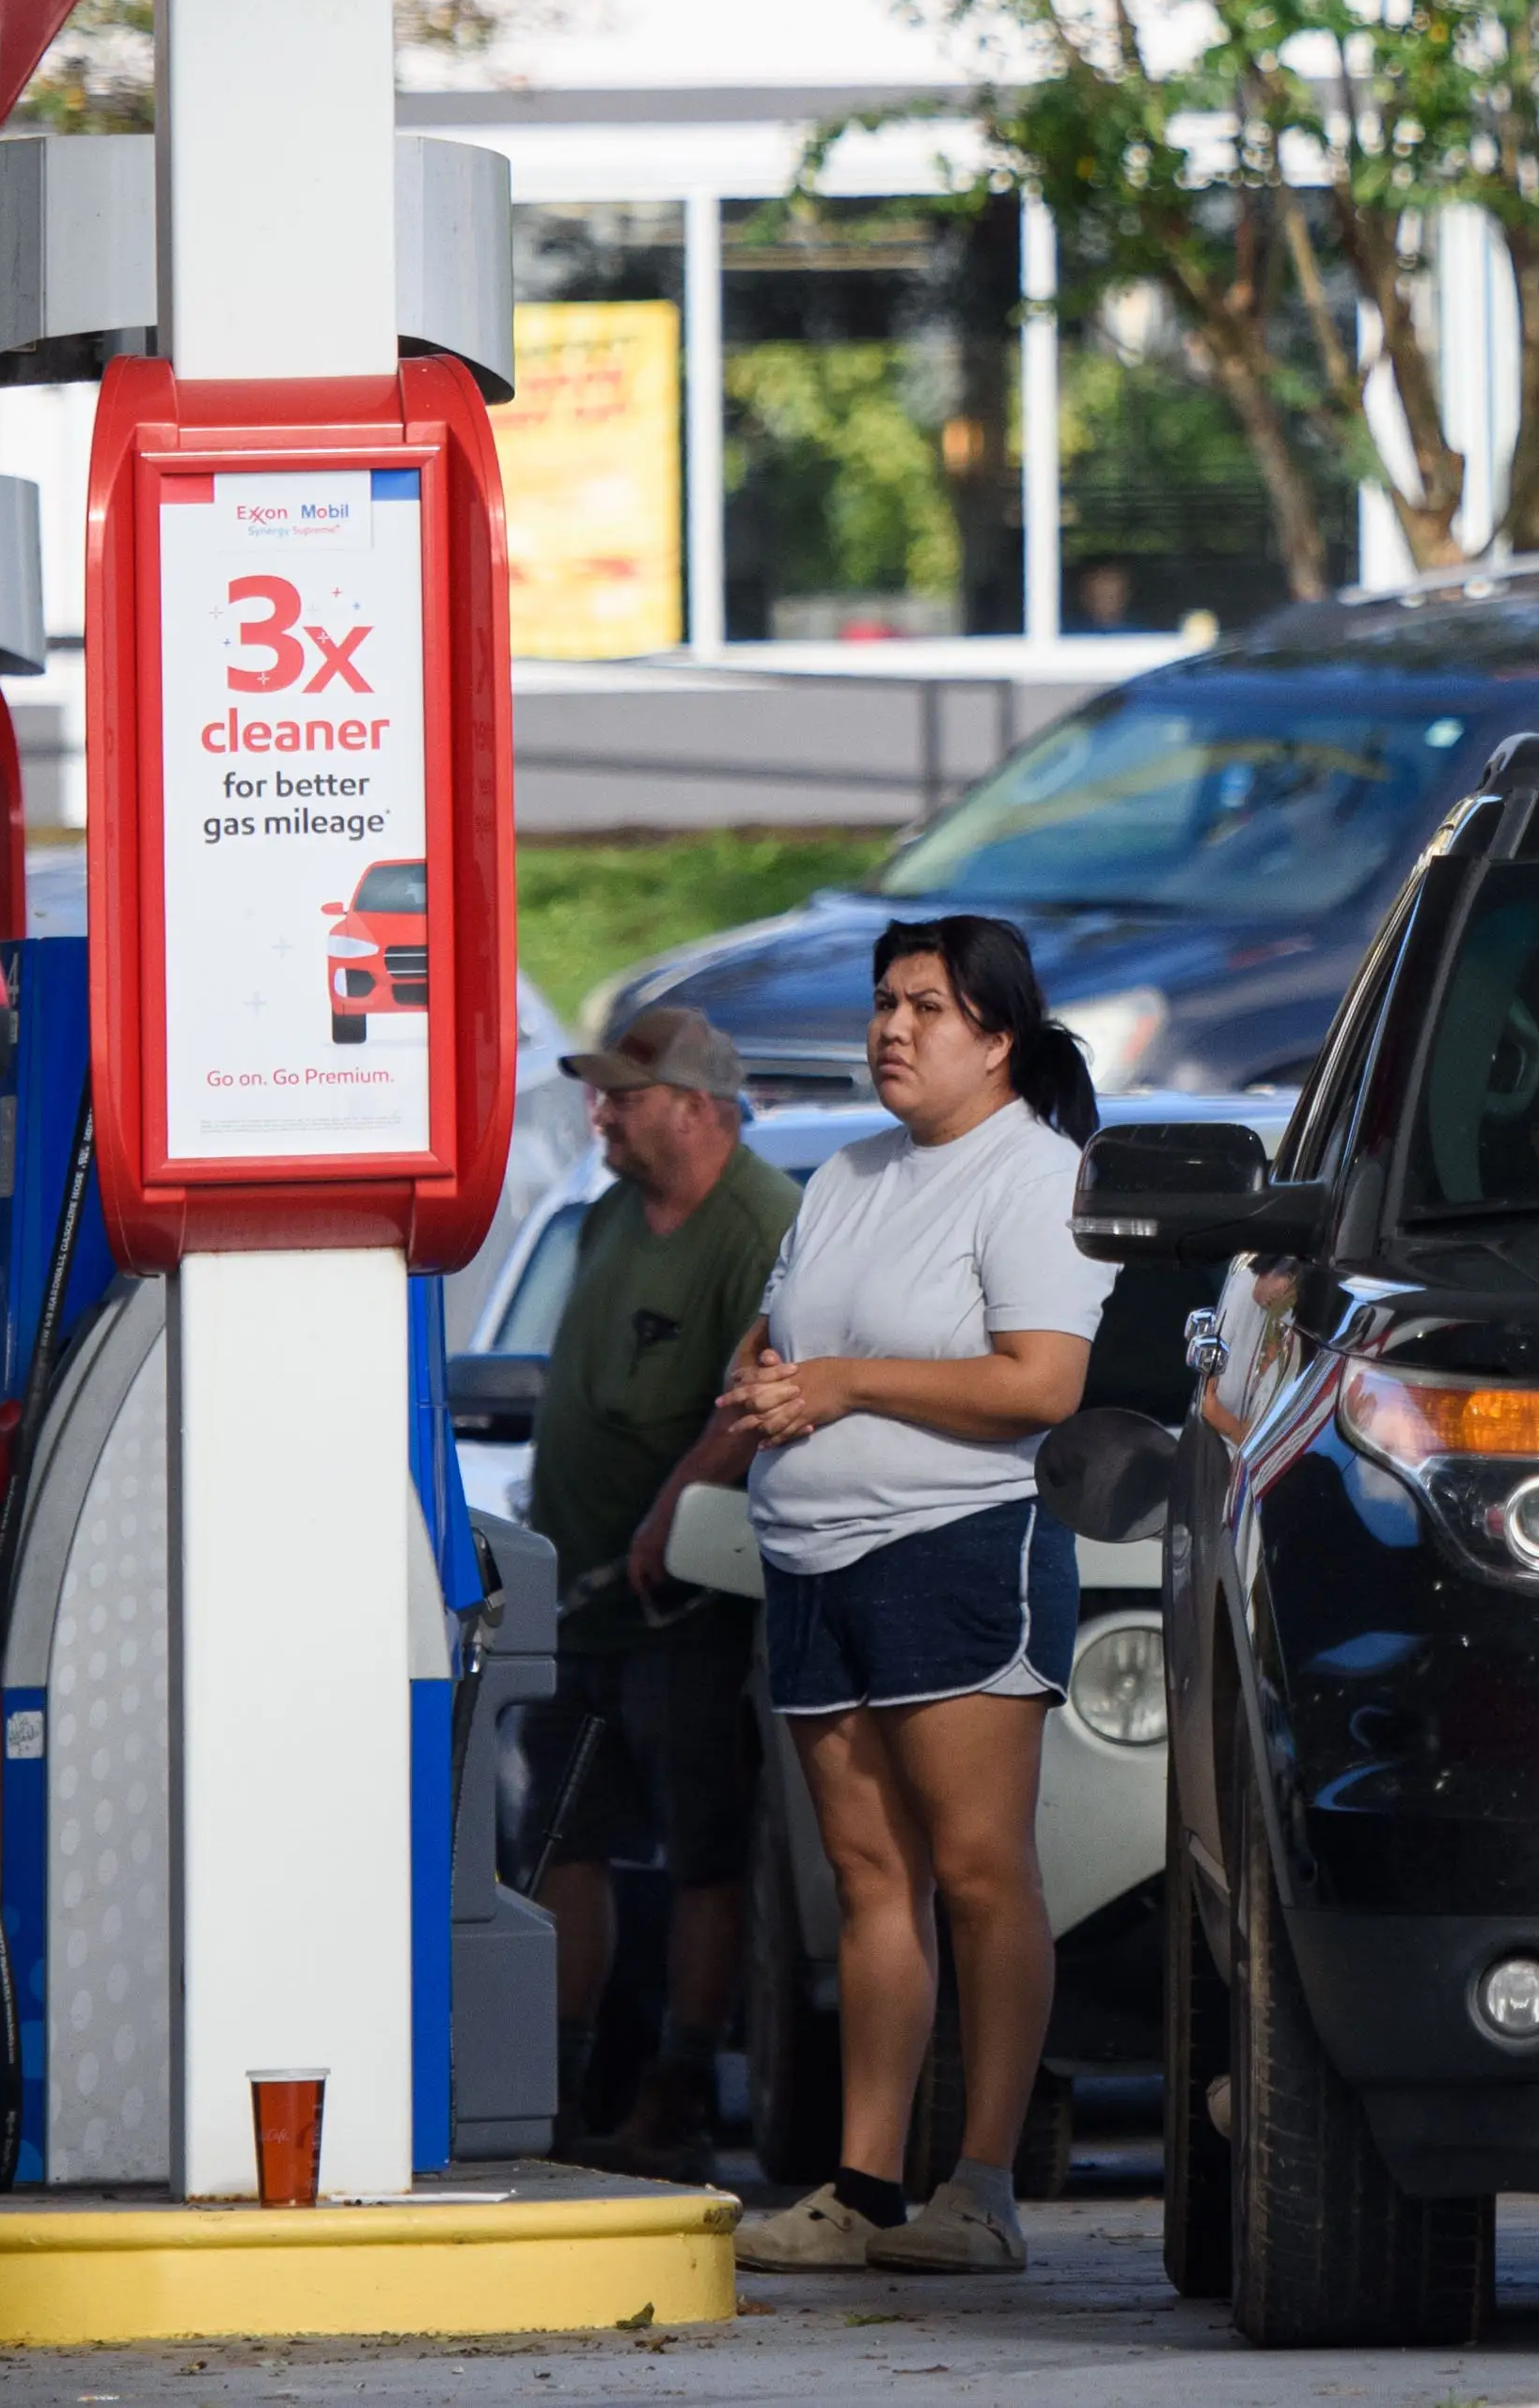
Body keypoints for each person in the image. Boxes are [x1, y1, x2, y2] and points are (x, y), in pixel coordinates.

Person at [720, 917, 1109, 2278]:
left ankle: (982, 2181)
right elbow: (777, 1332)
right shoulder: (842, 1169)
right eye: (881, 1003)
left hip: (954, 1545)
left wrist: (842, 1383)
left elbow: (1039, 1382)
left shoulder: (1034, 1173)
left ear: (995, 1036)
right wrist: (765, 1380)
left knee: (976, 1869)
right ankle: (863, 2185)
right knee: (868, 1876)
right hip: (809, 1553)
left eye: (924, 1006)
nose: (889, 1028)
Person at [515, 1005, 799, 2178]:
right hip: (579, 1605)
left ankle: (679, 2092)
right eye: (598, 1093)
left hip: (686, 1604)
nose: (602, 1113)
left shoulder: (765, 1225)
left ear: (696, 1104)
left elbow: (758, 1391)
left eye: (623, 1095)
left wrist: (672, 1509)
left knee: (703, 1852)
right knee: (562, 1841)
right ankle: (566, 2087)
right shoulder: (605, 1220)